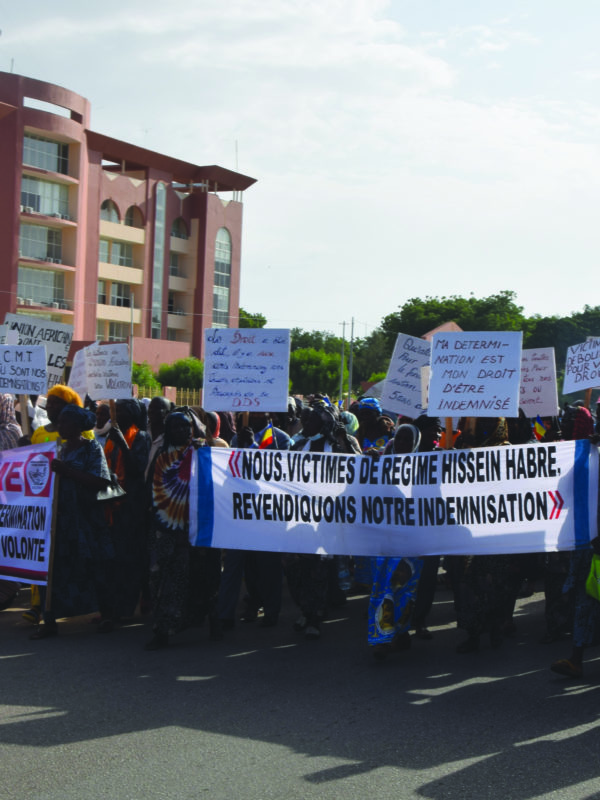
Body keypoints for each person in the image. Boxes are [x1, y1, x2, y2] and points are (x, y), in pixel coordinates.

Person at [30, 405, 114, 639]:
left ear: (77, 426)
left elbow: (101, 482)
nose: (60, 426)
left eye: (65, 422)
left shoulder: (91, 449)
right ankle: (49, 621)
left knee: (95, 567)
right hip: (61, 520)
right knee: (56, 570)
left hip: (87, 519)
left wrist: (67, 471)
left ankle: (106, 614)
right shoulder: (58, 450)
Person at [146, 411, 220, 650]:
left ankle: (212, 622)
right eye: (176, 427)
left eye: (186, 427)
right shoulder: (160, 455)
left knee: (202, 578)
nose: (182, 431)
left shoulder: (201, 452)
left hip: (198, 529)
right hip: (166, 530)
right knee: (165, 582)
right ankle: (162, 630)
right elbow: (154, 491)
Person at [368, 423, 423, 659]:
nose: (401, 444)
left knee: (406, 590)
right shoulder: (380, 465)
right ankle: (380, 638)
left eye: (407, 440)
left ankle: (400, 631)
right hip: (385, 540)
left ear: (415, 444)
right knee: (382, 588)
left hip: (411, 542)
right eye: (398, 439)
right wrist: (368, 464)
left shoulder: (424, 470)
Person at [104, 399, 151, 620]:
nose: (117, 414)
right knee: (114, 563)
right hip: (112, 507)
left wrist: (123, 443)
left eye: (121, 410)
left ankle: (126, 609)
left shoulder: (141, 437)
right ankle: (113, 606)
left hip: (132, 508)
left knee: (130, 560)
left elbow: (136, 468)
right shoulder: (110, 439)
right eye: (116, 409)